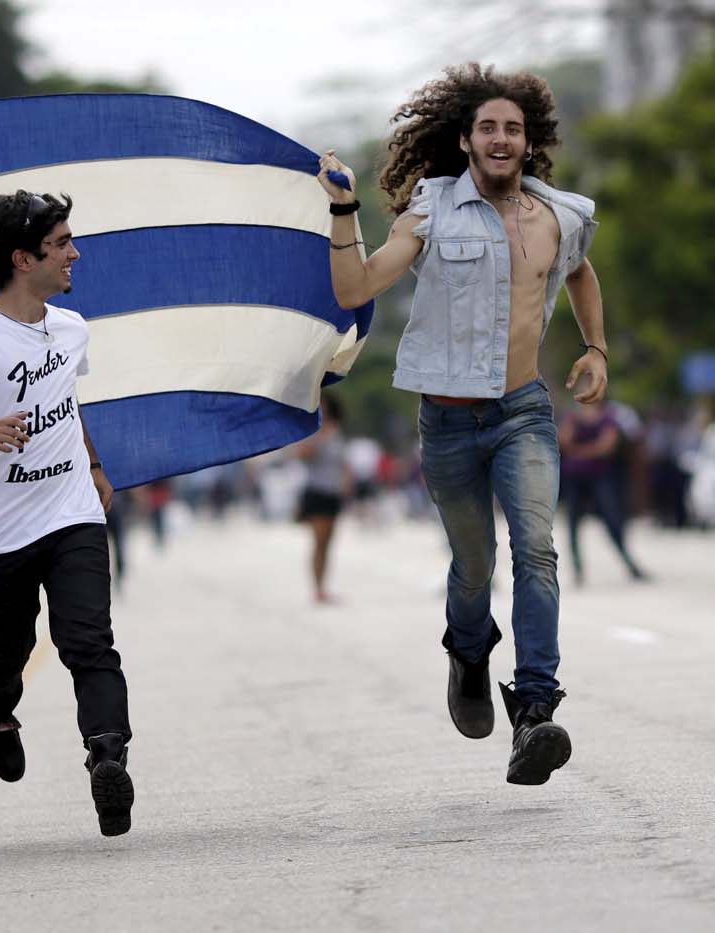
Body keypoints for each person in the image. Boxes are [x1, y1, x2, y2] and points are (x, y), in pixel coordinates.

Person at [318, 64, 609, 786]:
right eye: (488, 128)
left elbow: (580, 271)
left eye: (513, 128)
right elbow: (357, 285)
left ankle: (536, 707)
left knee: (536, 549)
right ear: (466, 139)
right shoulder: (432, 210)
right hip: (445, 420)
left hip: (523, 412)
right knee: (474, 565)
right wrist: (345, 211)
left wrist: (595, 346)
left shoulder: (561, 215)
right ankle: (469, 652)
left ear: (528, 139)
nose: (501, 138)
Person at [0, 190, 134, 836]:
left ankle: (108, 756)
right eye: (62, 242)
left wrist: (94, 467)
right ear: (23, 258)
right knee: (7, 646)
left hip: (70, 512)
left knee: (89, 641)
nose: (75, 252)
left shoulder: (70, 328)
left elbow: (67, 402)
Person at [558, 402, 647, 584]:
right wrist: (590, 449)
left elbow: (607, 446)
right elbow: (563, 440)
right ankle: (578, 570)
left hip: (600, 477)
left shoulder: (609, 416)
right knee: (573, 525)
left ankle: (629, 563)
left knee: (612, 521)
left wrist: (578, 451)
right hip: (575, 478)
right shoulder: (573, 417)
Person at [293, 393, 351, 604]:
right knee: (318, 541)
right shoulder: (312, 431)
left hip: (333, 492)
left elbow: (344, 462)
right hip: (316, 490)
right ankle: (317, 588)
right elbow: (300, 454)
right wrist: (320, 437)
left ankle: (322, 586)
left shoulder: (338, 433)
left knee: (328, 543)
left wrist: (347, 482)